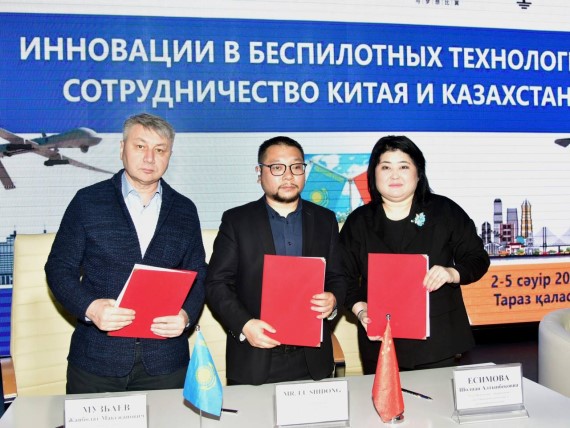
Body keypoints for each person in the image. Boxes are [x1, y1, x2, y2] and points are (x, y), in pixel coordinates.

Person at [45, 113, 207, 393]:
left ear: (169, 156)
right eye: (140, 146)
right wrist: (91, 308)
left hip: (166, 361)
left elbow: (199, 274)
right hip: (97, 359)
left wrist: (185, 316)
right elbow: (59, 268)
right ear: (122, 149)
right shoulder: (88, 201)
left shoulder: (185, 210)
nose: (149, 158)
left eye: (160, 150)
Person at [339, 135, 489, 374]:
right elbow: (342, 276)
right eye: (385, 167)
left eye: (403, 167)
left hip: (438, 341)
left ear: (418, 173)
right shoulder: (359, 222)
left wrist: (452, 273)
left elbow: (477, 258)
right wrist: (360, 309)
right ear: (373, 174)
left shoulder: (444, 211)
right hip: (379, 340)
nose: (394, 175)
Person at [205, 136, 346, 385]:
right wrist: (244, 325)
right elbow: (217, 283)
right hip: (255, 355)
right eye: (277, 167)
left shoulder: (325, 219)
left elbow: (339, 276)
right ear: (259, 173)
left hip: (311, 359)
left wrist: (333, 299)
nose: (288, 176)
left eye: (296, 167)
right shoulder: (237, 221)